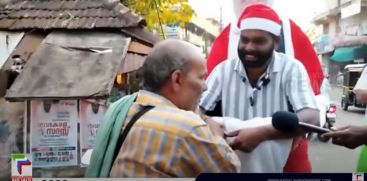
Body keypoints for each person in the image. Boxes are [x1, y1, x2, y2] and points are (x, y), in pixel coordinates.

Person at [205, 0, 324, 173]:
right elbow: (194, 110)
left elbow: (311, 118)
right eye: (244, 40)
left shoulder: (291, 68)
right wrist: (212, 125)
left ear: (276, 42)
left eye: (259, 41)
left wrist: (261, 134)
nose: (249, 48)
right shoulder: (222, 70)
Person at [103, 39, 240, 177]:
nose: (205, 87)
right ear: (177, 79)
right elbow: (231, 171)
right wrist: (216, 135)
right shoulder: (188, 127)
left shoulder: (125, 110)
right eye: (201, 77)